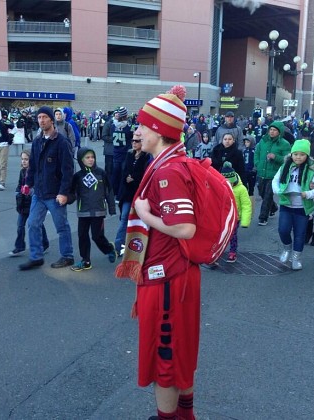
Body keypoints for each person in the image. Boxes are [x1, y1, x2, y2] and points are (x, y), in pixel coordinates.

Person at [115, 86, 200, 420]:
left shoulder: (167, 171)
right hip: (174, 274)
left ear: (161, 131)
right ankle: (185, 414)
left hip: (168, 278)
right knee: (178, 352)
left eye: (143, 125)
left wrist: (144, 212)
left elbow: (184, 227)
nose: (137, 130)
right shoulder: (170, 163)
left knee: (165, 355)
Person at [18, 106, 75, 271]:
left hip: (55, 194)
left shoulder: (61, 142)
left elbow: (68, 170)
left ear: (51, 119)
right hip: (39, 193)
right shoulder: (37, 141)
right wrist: (28, 183)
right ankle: (36, 257)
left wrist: (64, 192)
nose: (41, 120)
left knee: (61, 226)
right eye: (39, 117)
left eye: (44, 117)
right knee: (33, 223)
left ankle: (67, 256)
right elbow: (33, 166)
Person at [272, 139, 314, 270]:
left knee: (300, 235)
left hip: (302, 207)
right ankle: (287, 249)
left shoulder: (312, 170)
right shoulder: (285, 167)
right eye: (295, 154)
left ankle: (296, 258)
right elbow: (276, 180)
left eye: (302, 154)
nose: (298, 157)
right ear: (291, 154)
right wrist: (278, 191)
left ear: (306, 155)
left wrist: (308, 194)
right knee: (283, 230)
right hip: (286, 204)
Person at [70, 147, 117, 271]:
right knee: (82, 236)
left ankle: (109, 249)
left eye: (92, 157)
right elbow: (71, 193)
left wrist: (112, 207)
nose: (91, 160)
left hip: (98, 210)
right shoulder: (77, 176)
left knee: (97, 236)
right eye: (87, 157)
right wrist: (65, 199)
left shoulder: (101, 173)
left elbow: (109, 191)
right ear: (81, 159)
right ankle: (85, 260)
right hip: (83, 211)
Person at [113, 130, 150, 255]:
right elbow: (124, 172)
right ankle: (118, 245)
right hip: (127, 194)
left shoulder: (147, 157)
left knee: (139, 221)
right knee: (124, 218)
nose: (134, 143)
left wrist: (133, 179)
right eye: (133, 141)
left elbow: (143, 175)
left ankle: (137, 246)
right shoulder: (129, 155)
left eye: (137, 141)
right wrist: (128, 179)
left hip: (139, 194)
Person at [9, 150, 49, 256]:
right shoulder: (22, 172)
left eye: (26, 159)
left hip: (33, 203)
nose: (24, 161)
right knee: (20, 225)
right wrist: (17, 192)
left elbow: (39, 187)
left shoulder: (35, 173)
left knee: (37, 224)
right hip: (23, 203)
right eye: (22, 159)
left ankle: (44, 243)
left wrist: (31, 191)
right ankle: (20, 246)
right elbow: (19, 185)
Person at [254, 121, 291, 226]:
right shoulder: (263, 141)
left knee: (268, 195)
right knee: (261, 193)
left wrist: (275, 157)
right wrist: (257, 163)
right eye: (271, 129)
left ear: (279, 132)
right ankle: (273, 207)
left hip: (274, 174)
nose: (272, 132)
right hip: (261, 172)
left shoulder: (284, 144)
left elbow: (287, 159)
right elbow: (257, 153)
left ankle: (262, 218)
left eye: (274, 130)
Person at [220, 162, 252, 263]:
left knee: (232, 234)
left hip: (235, 217)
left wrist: (245, 221)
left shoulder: (241, 189)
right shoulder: (220, 187)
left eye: (231, 183)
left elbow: (246, 205)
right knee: (220, 234)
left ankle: (232, 252)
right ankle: (217, 251)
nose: (230, 185)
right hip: (223, 216)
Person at [111, 106, 133, 199]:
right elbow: (132, 138)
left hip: (116, 152)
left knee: (115, 174)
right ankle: (120, 195)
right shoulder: (129, 127)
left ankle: (112, 193)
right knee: (123, 175)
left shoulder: (113, 126)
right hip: (125, 153)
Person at [242, 135, 256, 214]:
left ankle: (251, 208)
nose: (246, 144)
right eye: (245, 142)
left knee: (251, 189)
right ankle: (245, 206)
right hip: (245, 171)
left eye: (248, 142)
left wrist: (254, 169)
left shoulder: (254, 151)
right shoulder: (244, 151)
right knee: (244, 188)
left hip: (251, 171)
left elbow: (255, 160)